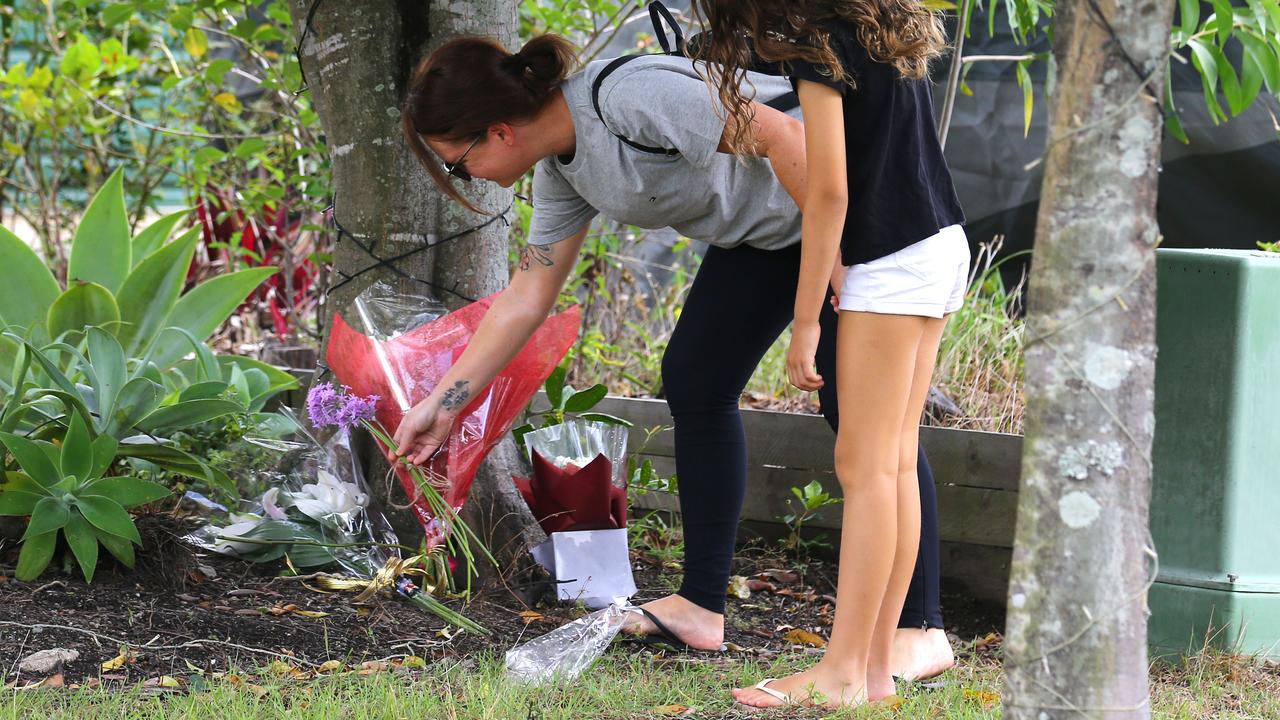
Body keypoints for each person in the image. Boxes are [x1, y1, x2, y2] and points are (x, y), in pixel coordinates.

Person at [393, 32, 953, 681]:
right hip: (766, 235)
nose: (467, 179)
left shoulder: (626, 98)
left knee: (863, 414)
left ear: (497, 131)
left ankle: (921, 627)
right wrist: (442, 403)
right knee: (697, 378)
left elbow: (789, 140)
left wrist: (833, 276)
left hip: (841, 213)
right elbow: (526, 296)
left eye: (458, 164)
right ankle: (701, 605)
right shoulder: (563, 169)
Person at [687, 0, 969, 708]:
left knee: (867, 467)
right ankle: (872, 674)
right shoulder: (878, 32)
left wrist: (806, 318)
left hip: (892, 257)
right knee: (894, 463)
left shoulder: (819, 51)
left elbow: (830, 192)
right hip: (938, 245)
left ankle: (840, 672)